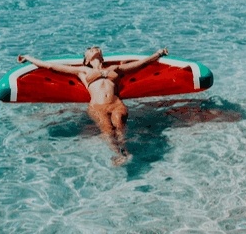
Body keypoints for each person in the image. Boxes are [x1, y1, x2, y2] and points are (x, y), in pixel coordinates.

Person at [17, 46, 169, 166]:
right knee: (108, 130)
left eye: (96, 48)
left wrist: (158, 53)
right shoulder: (82, 70)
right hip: (97, 106)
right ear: (86, 60)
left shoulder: (115, 69)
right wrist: (28, 58)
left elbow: (141, 64)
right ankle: (118, 154)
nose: (94, 49)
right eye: (89, 50)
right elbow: (50, 67)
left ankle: (125, 151)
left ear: (102, 56)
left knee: (119, 124)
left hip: (116, 103)